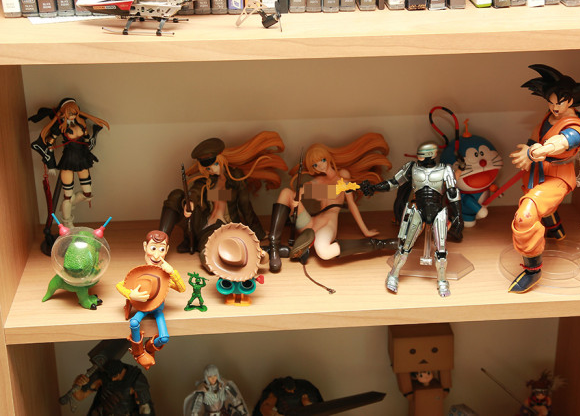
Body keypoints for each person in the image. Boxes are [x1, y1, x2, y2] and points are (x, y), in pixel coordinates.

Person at [508, 64, 580, 293]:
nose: (555, 107)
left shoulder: (575, 126)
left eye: (560, 102)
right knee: (539, 204)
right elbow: (534, 139)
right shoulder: (548, 118)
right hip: (537, 173)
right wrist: (528, 151)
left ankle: (533, 271)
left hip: (557, 177)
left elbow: (563, 142)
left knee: (525, 217)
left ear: (571, 100)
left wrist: (539, 151)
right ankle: (555, 228)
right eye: (551, 102)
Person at [266, 133, 396, 273]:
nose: (320, 166)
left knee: (325, 252)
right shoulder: (319, 181)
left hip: (327, 224)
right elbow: (301, 192)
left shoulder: (343, 176)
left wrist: (365, 231)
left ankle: (381, 244)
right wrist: (296, 201)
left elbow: (351, 204)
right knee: (286, 192)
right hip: (309, 223)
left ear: (328, 158)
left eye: (322, 160)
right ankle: (274, 247)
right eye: (315, 165)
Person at [361, 141, 463, 297]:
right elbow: (394, 183)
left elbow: (453, 193)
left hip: (438, 212)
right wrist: (374, 188)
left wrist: (458, 216)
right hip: (418, 210)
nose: (419, 157)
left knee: (441, 252)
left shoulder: (445, 169)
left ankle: (442, 280)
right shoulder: (411, 168)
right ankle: (394, 274)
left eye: (422, 154)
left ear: (430, 154)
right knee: (404, 247)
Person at [159, 132, 287, 256]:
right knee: (176, 195)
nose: (213, 170)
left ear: (222, 159)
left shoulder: (236, 178)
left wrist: (258, 232)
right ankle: (159, 241)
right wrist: (190, 202)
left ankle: (259, 253)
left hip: (226, 226)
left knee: (216, 250)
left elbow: (245, 206)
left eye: (215, 164)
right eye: (208, 168)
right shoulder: (206, 180)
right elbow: (195, 191)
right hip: (203, 225)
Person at [29, 98, 110, 227]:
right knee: (67, 195)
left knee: (87, 194)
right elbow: (49, 144)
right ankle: (68, 222)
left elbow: (87, 141)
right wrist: (51, 164)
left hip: (82, 160)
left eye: (74, 112)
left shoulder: (81, 123)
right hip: (67, 161)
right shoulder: (59, 127)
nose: (72, 114)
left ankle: (67, 205)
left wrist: (90, 142)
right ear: (63, 112)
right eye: (69, 112)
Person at [116, 230, 186, 369]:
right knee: (134, 322)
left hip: (158, 309)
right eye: (153, 248)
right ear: (145, 246)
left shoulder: (164, 277)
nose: (156, 255)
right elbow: (119, 285)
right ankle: (138, 353)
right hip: (143, 308)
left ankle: (148, 348)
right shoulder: (141, 273)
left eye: (161, 249)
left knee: (164, 337)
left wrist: (172, 272)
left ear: (167, 250)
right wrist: (131, 295)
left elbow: (181, 288)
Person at [71, 358, 154, 415]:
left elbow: (145, 406)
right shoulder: (102, 377)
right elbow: (80, 396)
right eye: (110, 376)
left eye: (114, 376)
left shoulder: (135, 378)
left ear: (121, 372)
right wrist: (77, 384)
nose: (113, 379)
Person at [183, 365, 248, 416]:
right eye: (210, 376)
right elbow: (195, 411)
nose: (213, 378)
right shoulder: (202, 390)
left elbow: (236, 400)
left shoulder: (224, 386)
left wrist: (243, 412)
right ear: (206, 377)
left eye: (215, 375)